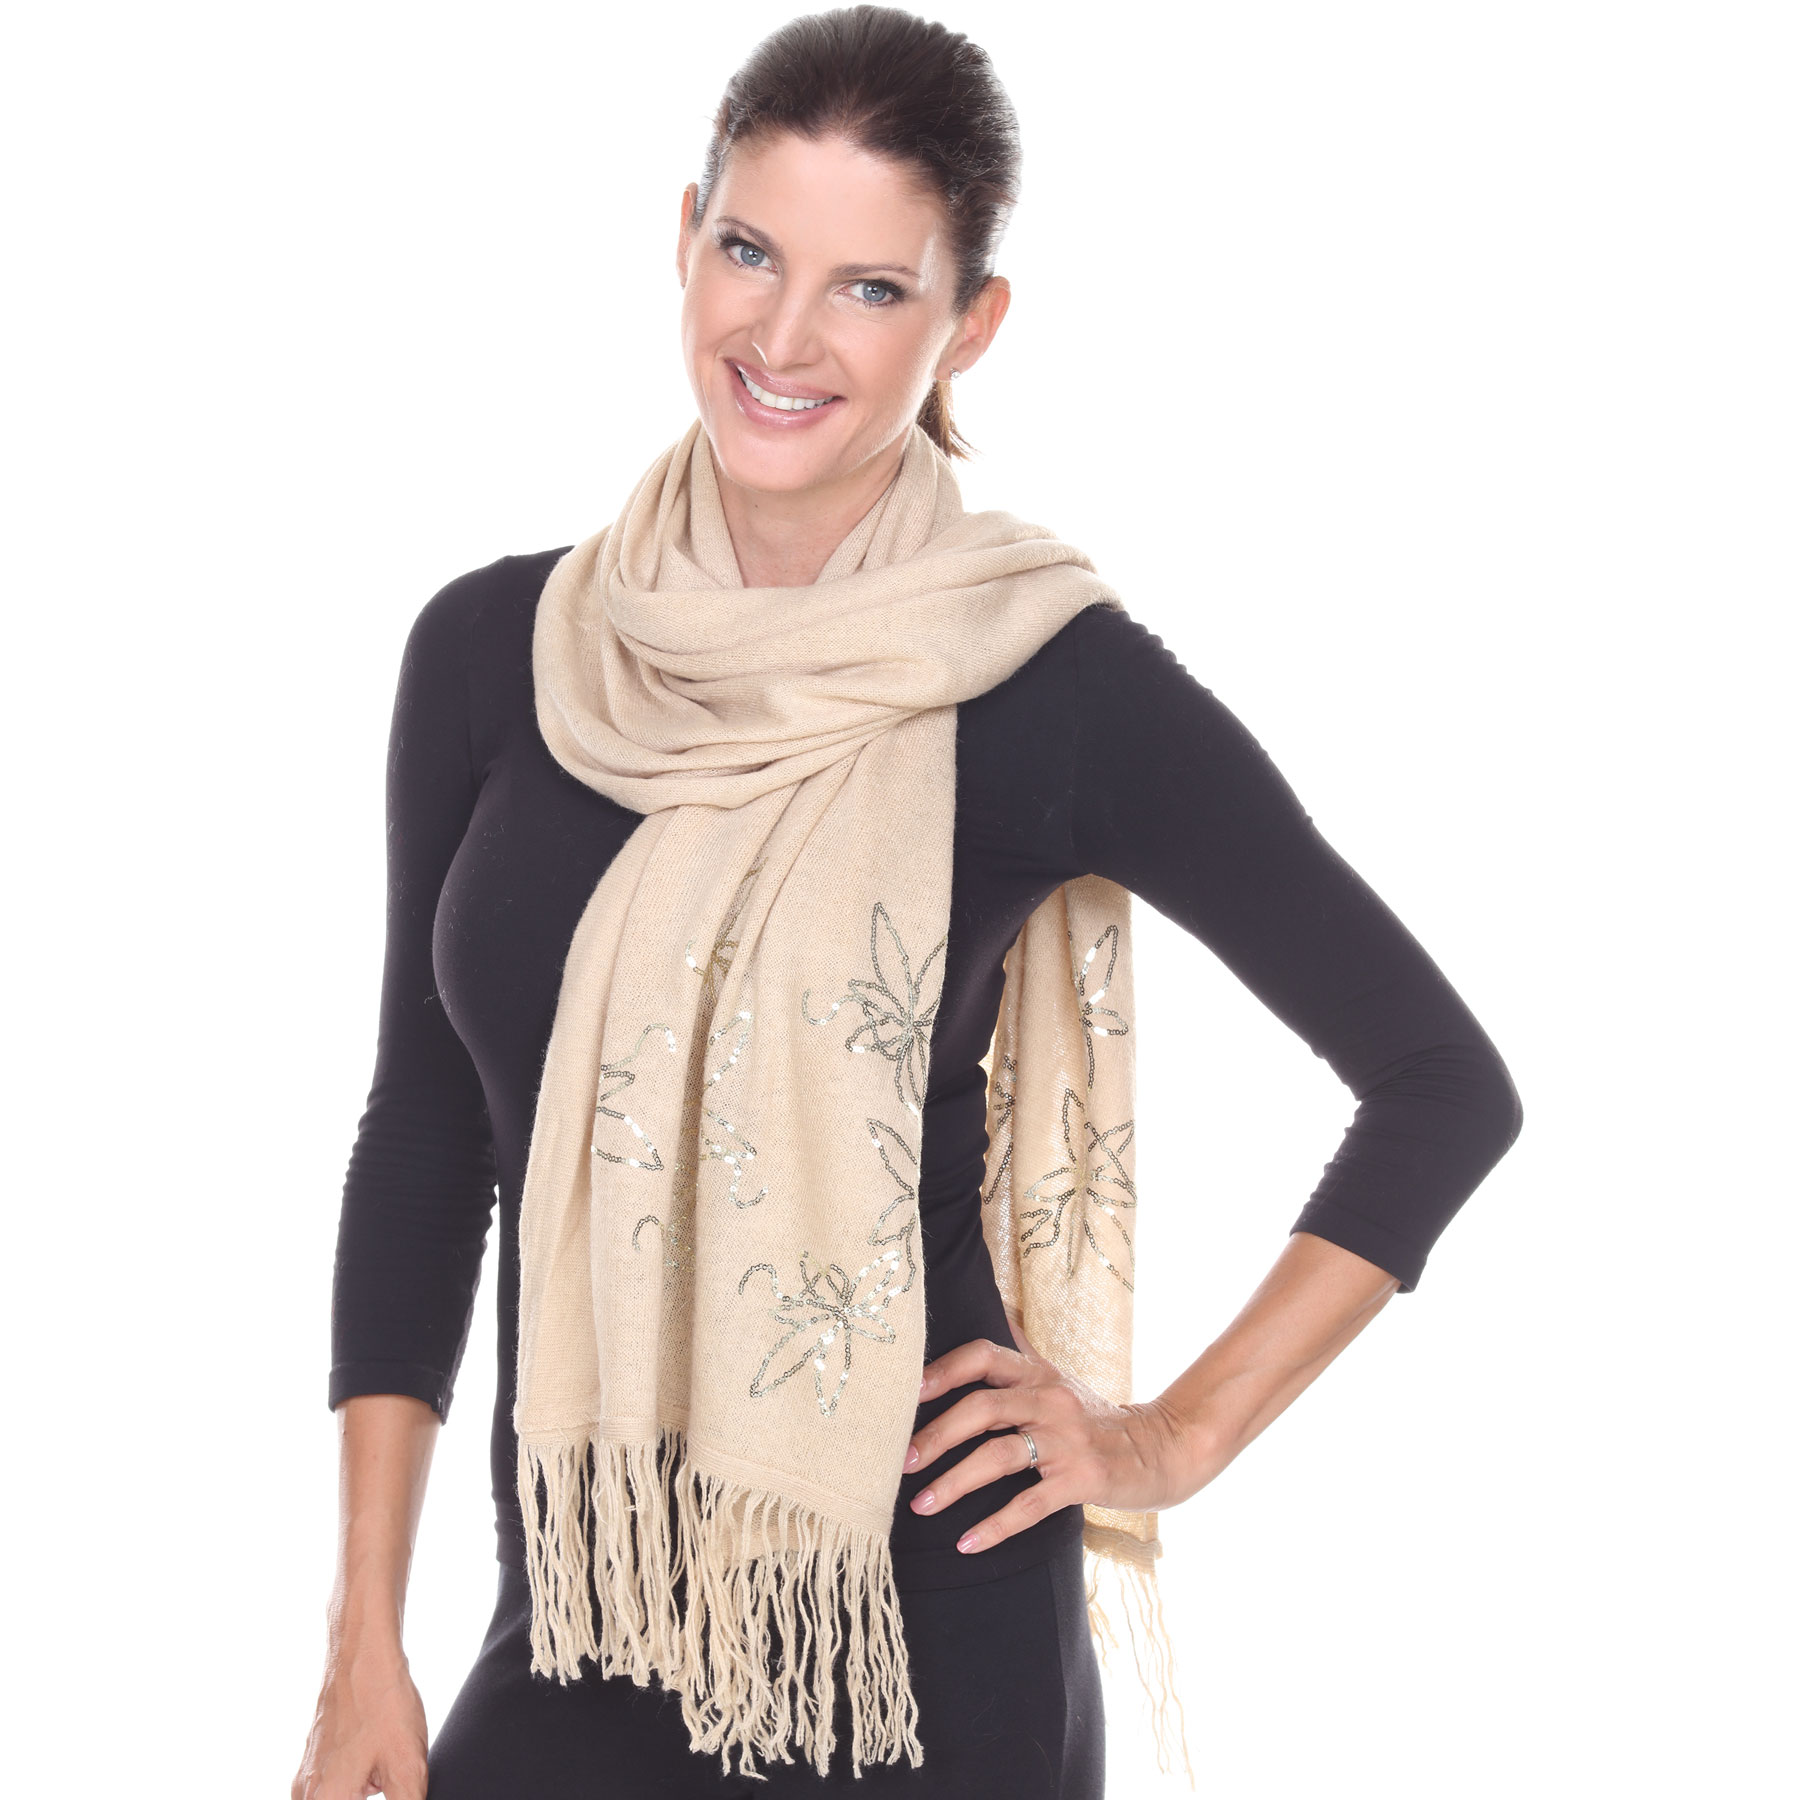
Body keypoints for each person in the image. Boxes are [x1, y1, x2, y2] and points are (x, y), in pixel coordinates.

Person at [292, 7, 1522, 1797]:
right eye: (749, 252)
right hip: (583, 1608)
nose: (784, 339)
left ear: (971, 322)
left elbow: (1440, 1084)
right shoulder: (504, 650)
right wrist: (360, 1638)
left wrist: (1168, 1440)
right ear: (684, 236)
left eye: (870, 289)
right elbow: (427, 1136)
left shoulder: (1044, 679)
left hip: (919, 1652)